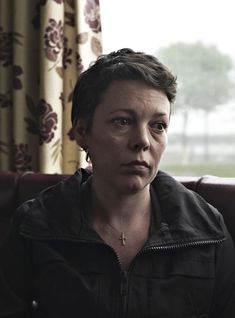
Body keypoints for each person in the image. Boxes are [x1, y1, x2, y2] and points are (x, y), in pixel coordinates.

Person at [0, 48, 235, 318]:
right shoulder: (35, 224)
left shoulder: (207, 228)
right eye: (122, 121)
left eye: (158, 126)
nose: (143, 141)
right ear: (82, 132)